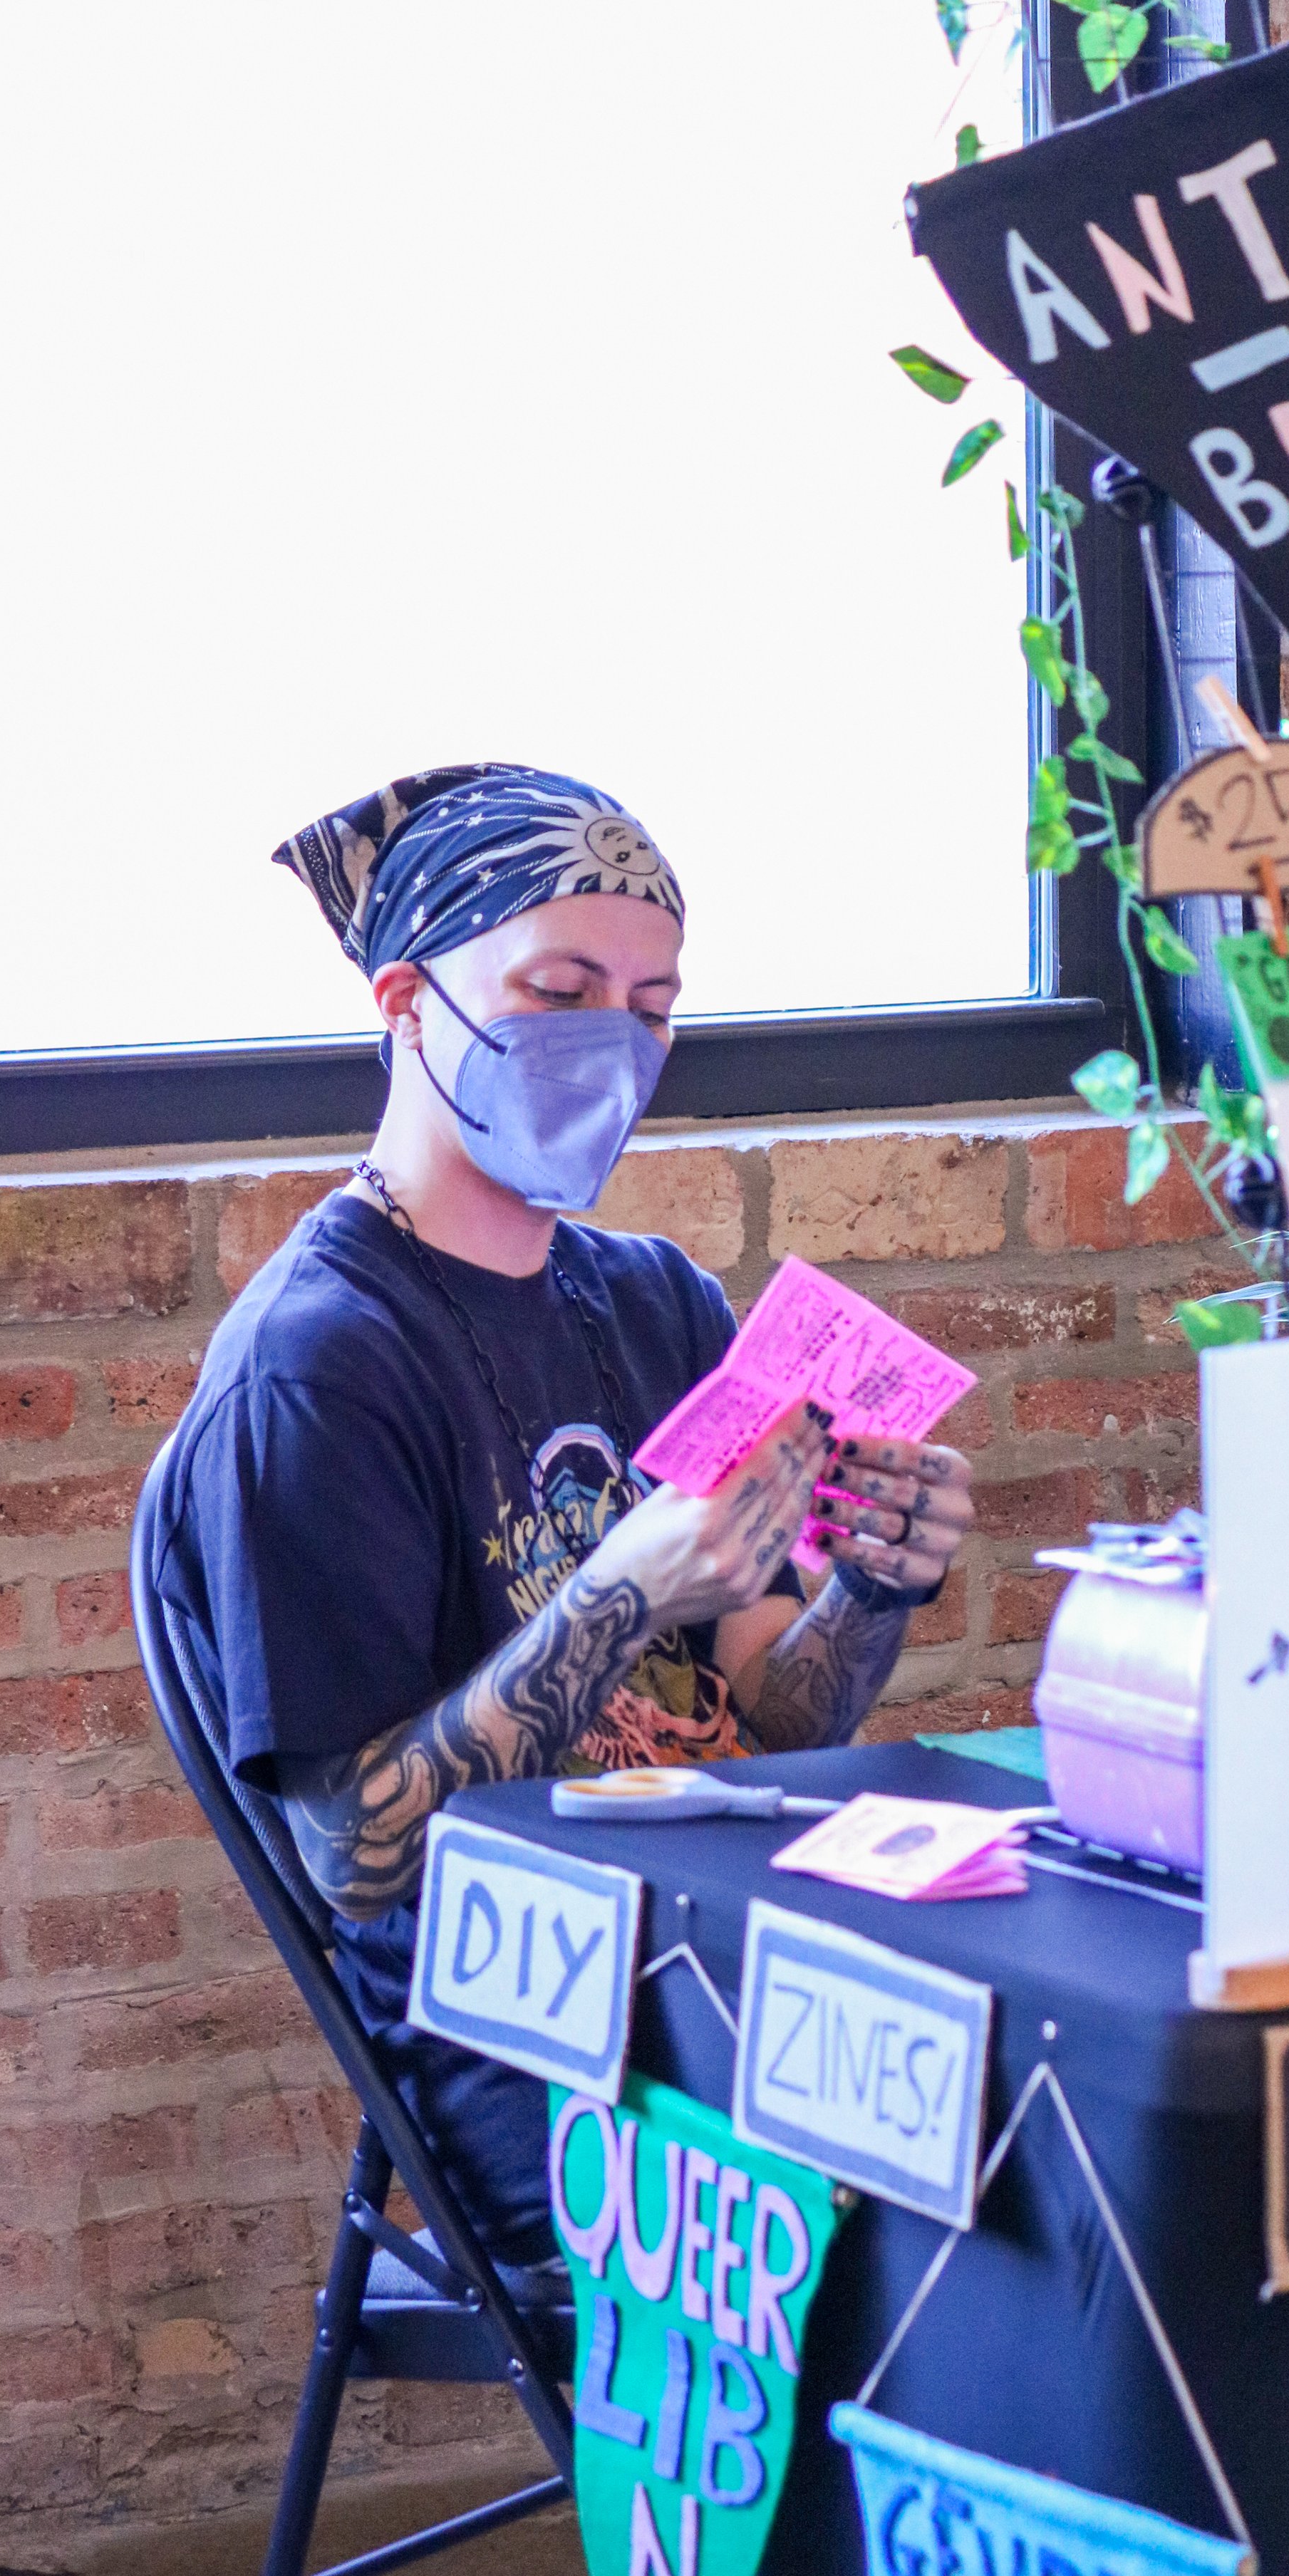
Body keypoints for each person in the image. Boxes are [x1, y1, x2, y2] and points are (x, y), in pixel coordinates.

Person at [151, 762, 975, 2287]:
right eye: (559, 987)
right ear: (406, 1002)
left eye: (652, 1002)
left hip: (737, 1953)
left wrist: (868, 1580)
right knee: (982, 2218)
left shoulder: (658, 1301)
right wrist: (608, 1598)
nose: (615, 1038)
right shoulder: (315, 1366)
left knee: (1047, 2115)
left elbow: (774, 1723)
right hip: (533, 2045)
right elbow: (351, 1855)